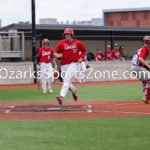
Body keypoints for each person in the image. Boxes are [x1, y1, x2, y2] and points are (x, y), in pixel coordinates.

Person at [54, 28, 86, 105]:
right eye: (65, 34)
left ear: (72, 35)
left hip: (73, 63)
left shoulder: (77, 43)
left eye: (68, 34)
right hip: (64, 64)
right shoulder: (62, 43)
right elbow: (55, 52)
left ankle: (61, 97)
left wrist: (81, 57)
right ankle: (74, 90)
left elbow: (84, 49)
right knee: (67, 81)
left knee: (66, 80)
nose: (67, 36)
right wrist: (57, 55)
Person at [131, 35, 150, 104]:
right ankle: (147, 98)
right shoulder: (145, 48)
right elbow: (140, 59)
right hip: (137, 67)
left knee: (145, 81)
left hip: (134, 67)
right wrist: (148, 66)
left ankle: (145, 97)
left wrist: (145, 66)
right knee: (149, 79)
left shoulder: (141, 48)